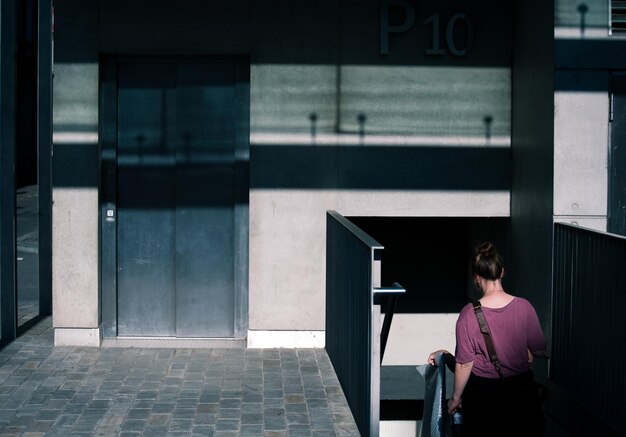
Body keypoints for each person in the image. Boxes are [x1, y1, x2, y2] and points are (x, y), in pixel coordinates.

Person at [428, 242, 546, 437]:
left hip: (483, 398)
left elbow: (465, 365)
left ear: (476, 278)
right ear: (502, 272)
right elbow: (540, 350)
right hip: (521, 394)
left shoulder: (468, 314)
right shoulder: (525, 307)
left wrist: (455, 399)